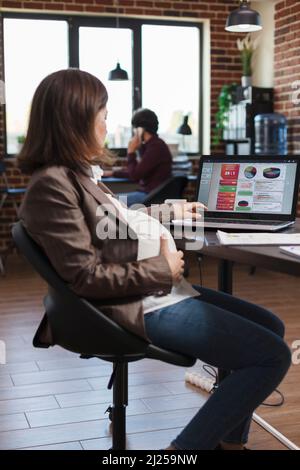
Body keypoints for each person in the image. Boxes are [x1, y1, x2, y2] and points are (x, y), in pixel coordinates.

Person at [18, 69, 291, 450]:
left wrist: (171, 211)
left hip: (154, 290)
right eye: (103, 117)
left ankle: (231, 440)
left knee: (270, 325)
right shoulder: (52, 186)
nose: (106, 125)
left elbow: (118, 218)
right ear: (75, 122)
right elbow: (86, 277)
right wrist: (163, 267)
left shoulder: (75, 176)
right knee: (271, 356)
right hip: (134, 304)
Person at [105, 108, 172, 207]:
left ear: (140, 129)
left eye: (135, 129)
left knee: (108, 202)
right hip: (148, 194)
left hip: (150, 196)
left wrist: (131, 152)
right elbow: (137, 171)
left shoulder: (156, 147)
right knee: (110, 199)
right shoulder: (151, 145)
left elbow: (135, 175)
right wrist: (112, 173)